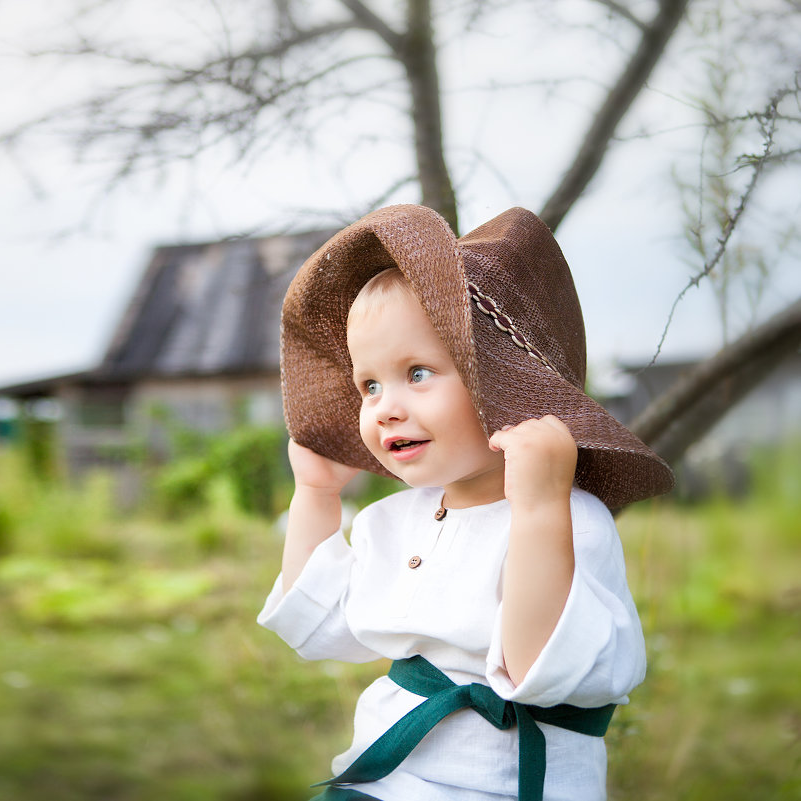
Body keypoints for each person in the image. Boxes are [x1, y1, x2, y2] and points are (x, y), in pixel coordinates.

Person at [258, 205, 674, 801]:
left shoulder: (569, 519)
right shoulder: (392, 521)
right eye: (369, 384)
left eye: (418, 372)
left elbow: (538, 665)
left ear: (504, 383)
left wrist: (537, 508)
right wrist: (316, 494)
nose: (385, 407)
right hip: (385, 777)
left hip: (502, 786)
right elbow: (319, 626)